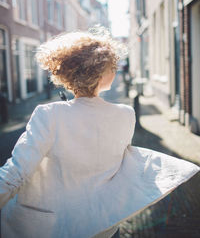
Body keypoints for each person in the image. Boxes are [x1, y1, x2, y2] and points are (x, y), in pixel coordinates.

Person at [0, 27, 199, 238]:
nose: (116, 70)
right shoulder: (126, 115)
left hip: (49, 227)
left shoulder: (48, 114)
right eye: (112, 65)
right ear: (100, 72)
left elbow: (16, 172)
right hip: (103, 227)